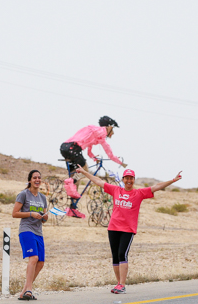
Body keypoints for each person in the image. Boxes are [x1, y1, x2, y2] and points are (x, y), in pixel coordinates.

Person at [76, 165, 182, 294]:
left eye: (131, 178)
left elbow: (157, 186)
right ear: (123, 179)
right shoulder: (116, 190)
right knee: (115, 256)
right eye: (126, 178)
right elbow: (98, 181)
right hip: (113, 227)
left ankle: (123, 284)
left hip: (128, 229)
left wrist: (173, 180)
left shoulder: (139, 193)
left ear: (134, 180)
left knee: (122, 254)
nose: (129, 180)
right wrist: (84, 172)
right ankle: (119, 284)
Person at [60, 116, 127, 218]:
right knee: (84, 170)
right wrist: (120, 163)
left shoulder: (94, 131)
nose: (112, 133)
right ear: (108, 127)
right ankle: (70, 183)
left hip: (65, 147)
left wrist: (94, 158)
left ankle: (72, 208)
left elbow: (89, 150)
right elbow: (109, 153)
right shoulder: (101, 132)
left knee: (76, 178)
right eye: (112, 130)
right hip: (73, 148)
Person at [12, 169, 49, 300]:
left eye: (39, 177)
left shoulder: (43, 198)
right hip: (26, 229)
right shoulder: (23, 194)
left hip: (38, 231)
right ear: (30, 180)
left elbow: (44, 219)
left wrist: (45, 217)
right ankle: (29, 290)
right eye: (34, 178)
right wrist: (30, 214)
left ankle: (24, 291)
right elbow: (14, 213)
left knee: (41, 262)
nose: (37, 180)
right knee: (33, 258)